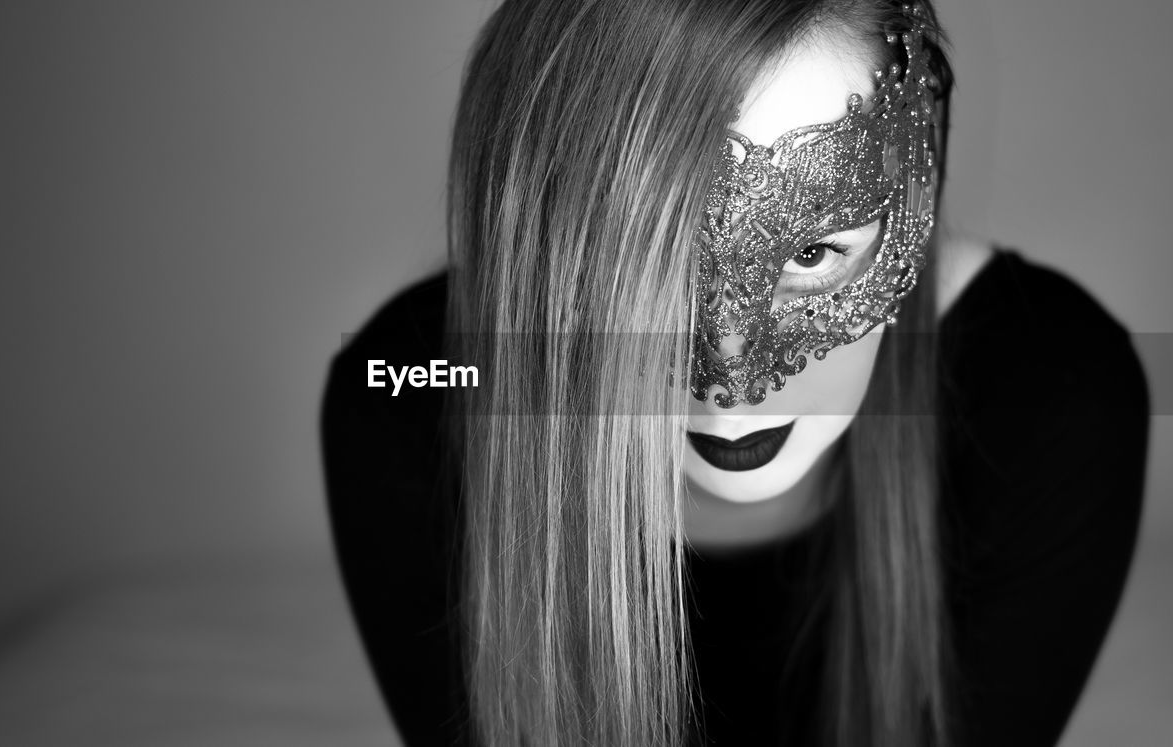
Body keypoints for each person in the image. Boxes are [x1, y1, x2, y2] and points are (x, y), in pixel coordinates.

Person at [321, 0, 1151, 745]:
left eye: (813, 251)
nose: (728, 375)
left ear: (916, 204)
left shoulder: (1054, 390)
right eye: (646, 265)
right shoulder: (411, 391)